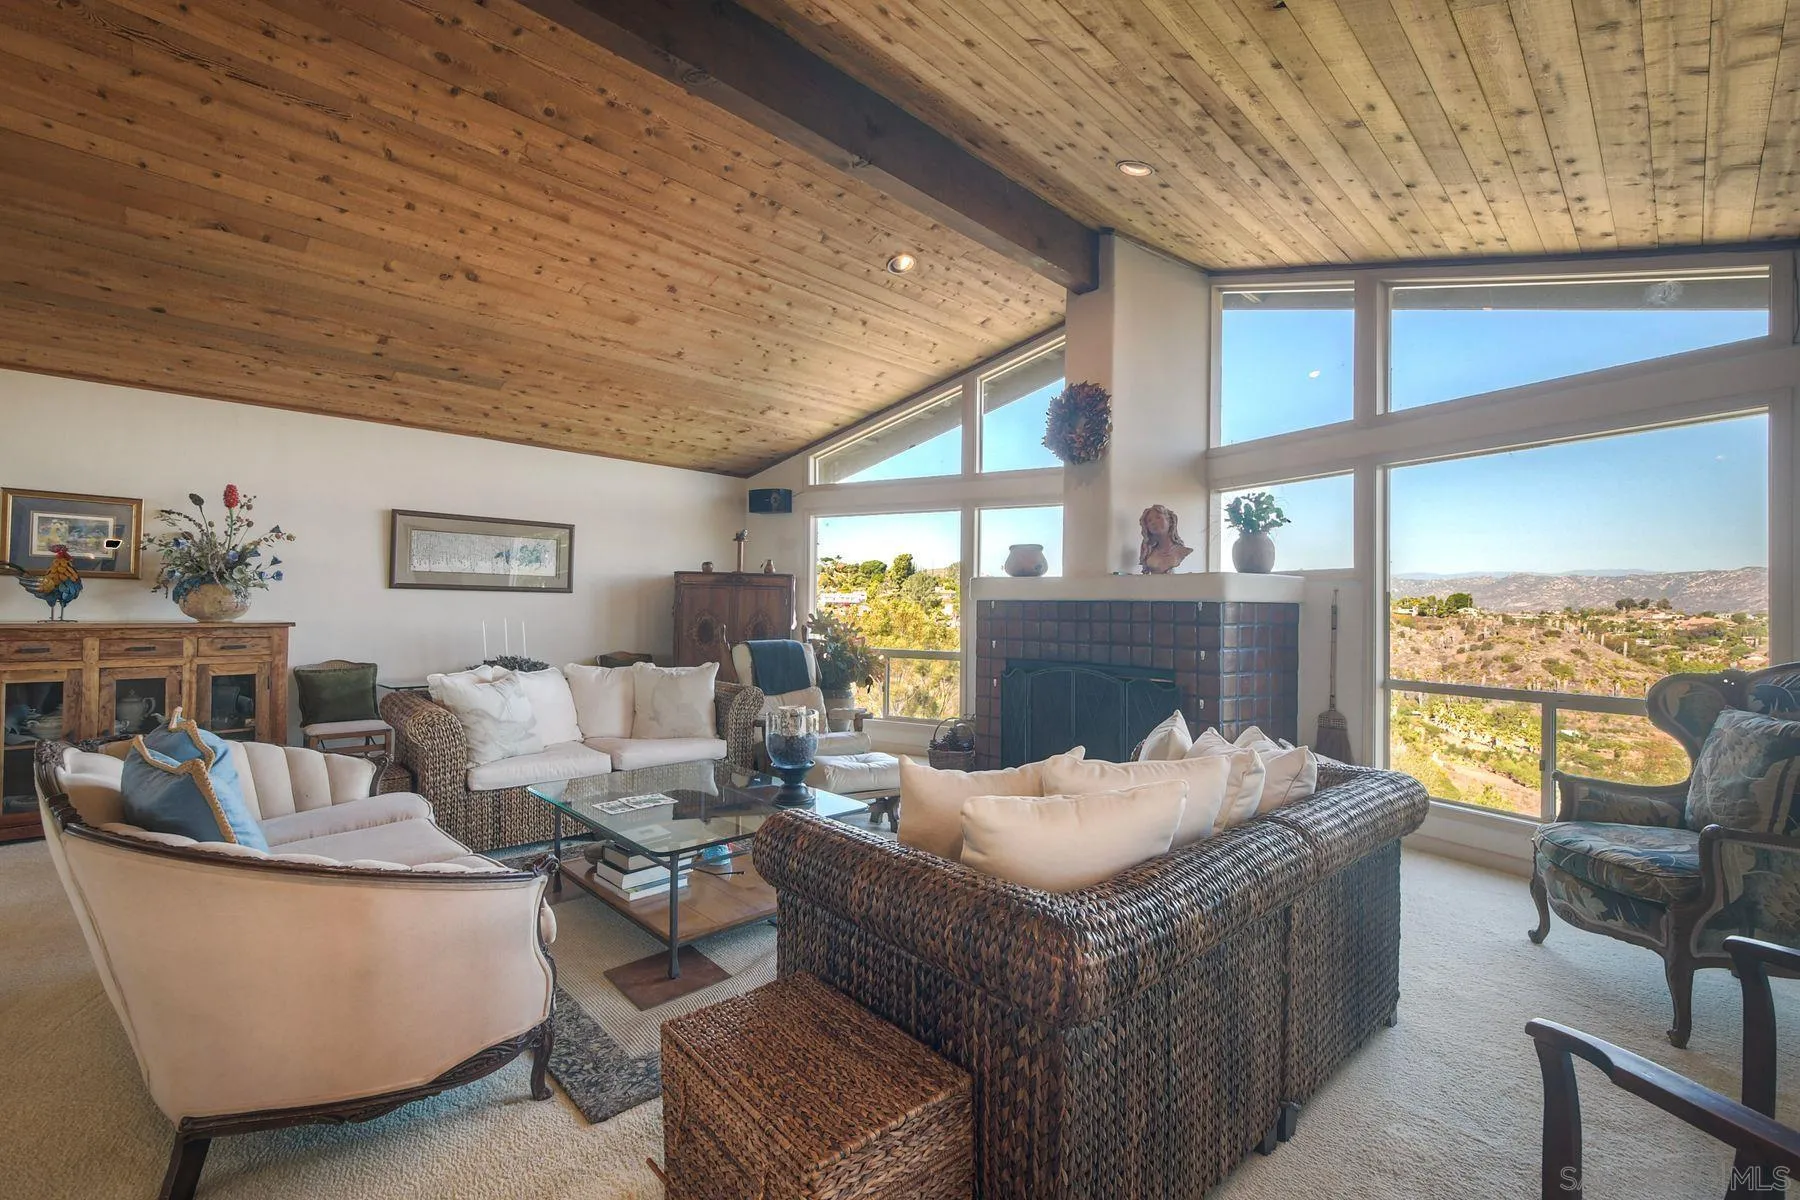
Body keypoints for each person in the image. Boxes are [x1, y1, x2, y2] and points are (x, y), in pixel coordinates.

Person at [1138, 504, 1193, 574]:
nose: (1153, 522)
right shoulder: (1148, 553)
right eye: (1149, 521)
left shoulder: (1182, 551)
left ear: (1169, 521)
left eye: (1158, 517)